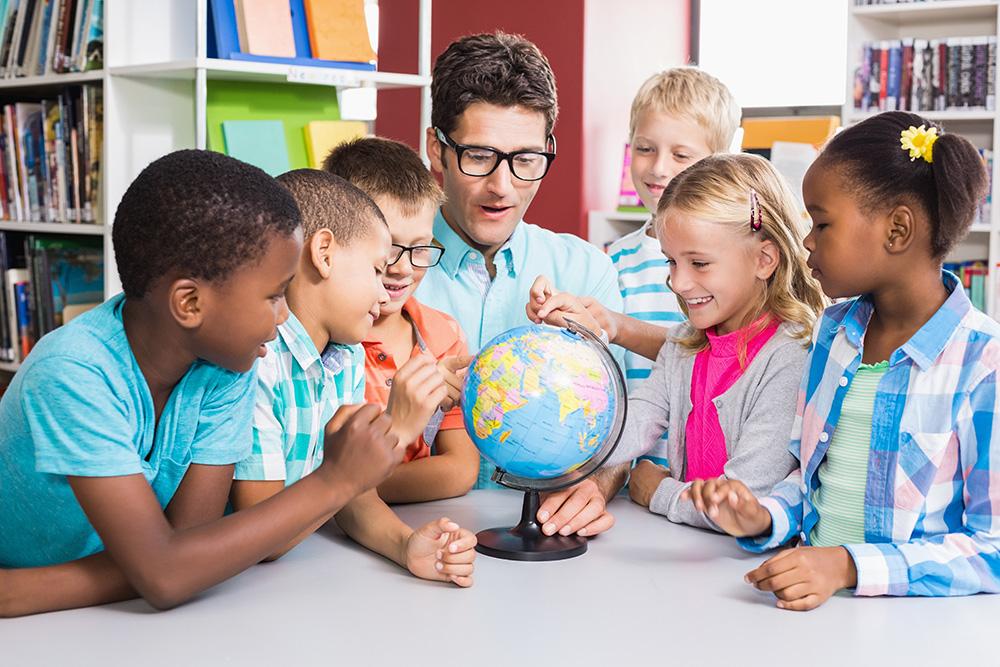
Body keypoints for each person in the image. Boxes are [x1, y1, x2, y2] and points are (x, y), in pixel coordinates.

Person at [687, 111, 1000, 611]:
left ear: (897, 230)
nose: (807, 241)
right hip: (815, 610)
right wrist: (765, 517)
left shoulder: (983, 361)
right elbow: (813, 480)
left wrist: (848, 566)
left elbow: (993, 549)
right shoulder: (832, 333)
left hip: (911, 626)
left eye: (822, 223)